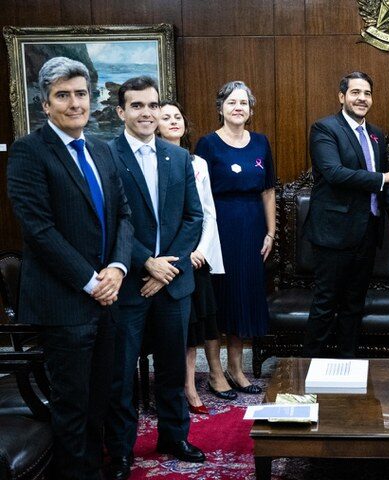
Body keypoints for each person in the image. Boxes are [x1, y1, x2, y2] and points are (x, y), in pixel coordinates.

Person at [6, 56, 133, 480]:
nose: (75, 103)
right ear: (46, 104)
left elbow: (124, 217)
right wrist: (90, 280)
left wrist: (116, 267)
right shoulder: (28, 151)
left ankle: (94, 468)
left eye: (81, 93)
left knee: (101, 398)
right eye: (63, 96)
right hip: (65, 302)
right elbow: (39, 232)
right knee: (72, 405)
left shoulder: (101, 147)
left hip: (107, 297)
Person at [105, 76, 204, 479]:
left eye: (152, 105)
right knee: (122, 372)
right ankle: (122, 450)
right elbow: (109, 222)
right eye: (137, 106)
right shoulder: (106, 156)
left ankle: (173, 436)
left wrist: (167, 270)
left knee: (171, 368)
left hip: (173, 283)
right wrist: (147, 262)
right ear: (121, 112)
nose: (146, 113)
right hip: (127, 284)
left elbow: (193, 218)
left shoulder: (178, 158)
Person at [302, 71, 389, 358]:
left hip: (367, 233)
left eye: (367, 93)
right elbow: (335, 173)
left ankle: (346, 366)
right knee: (326, 303)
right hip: (333, 234)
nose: (362, 98)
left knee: (354, 305)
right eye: (355, 92)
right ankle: (312, 371)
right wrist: (386, 178)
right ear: (342, 97)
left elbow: (383, 180)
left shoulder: (374, 134)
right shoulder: (324, 129)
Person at [195, 80, 274, 394]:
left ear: (251, 110)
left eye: (244, 103)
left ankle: (236, 369)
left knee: (243, 297)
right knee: (219, 299)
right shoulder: (207, 144)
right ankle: (215, 373)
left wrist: (271, 232)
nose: (238, 107)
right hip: (218, 228)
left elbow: (268, 190)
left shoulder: (261, 142)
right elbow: (199, 194)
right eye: (232, 103)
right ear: (220, 108)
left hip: (253, 226)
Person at [157, 100, 226, 415]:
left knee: (194, 328)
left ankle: (188, 385)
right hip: (163, 258)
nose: (173, 121)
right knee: (173, 328)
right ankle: (173, 388)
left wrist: (200, 250)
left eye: (177, 116)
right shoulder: (150, 159)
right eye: (166, 117)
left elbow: (208, 213)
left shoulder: (198, 162)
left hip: (196, 256)